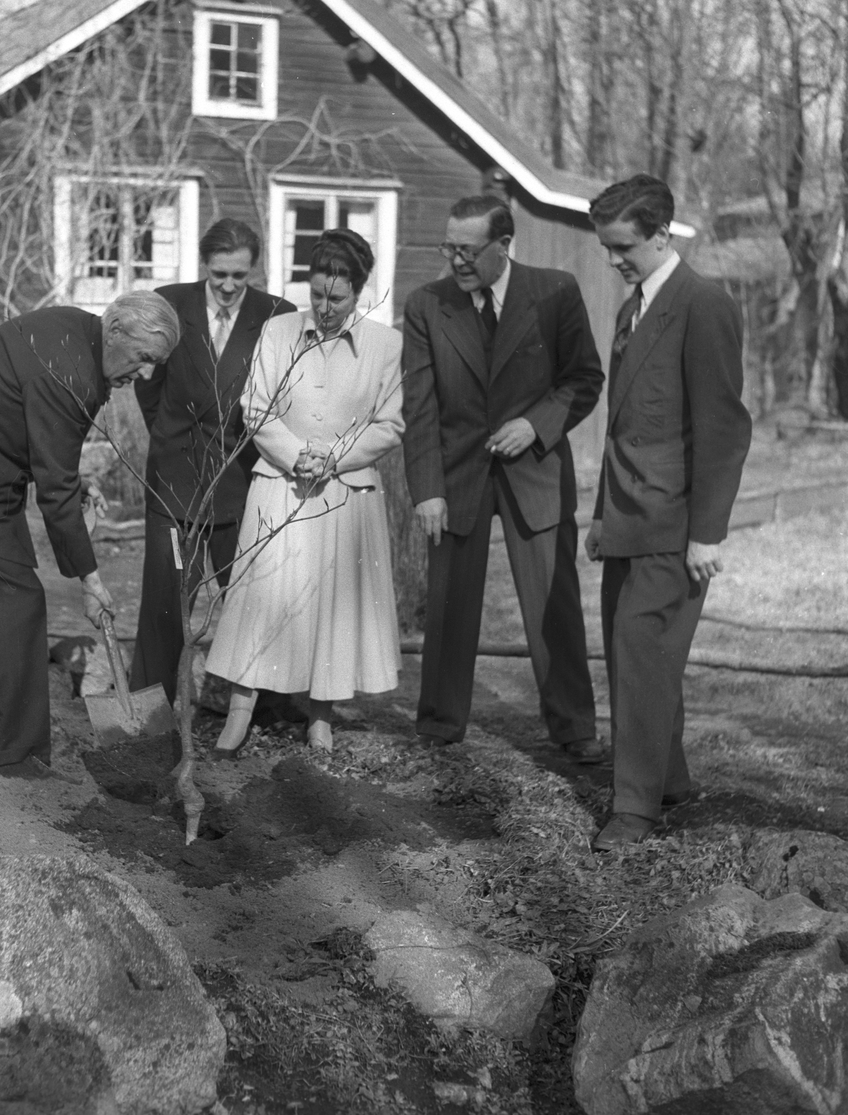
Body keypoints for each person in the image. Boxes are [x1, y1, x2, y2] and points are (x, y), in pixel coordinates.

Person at [0, 292, 180, 772]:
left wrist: (71, 481)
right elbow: (54, 488)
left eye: (156, 364)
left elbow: (38, 440)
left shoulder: (75, 334)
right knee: (15, 606)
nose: (146, 374)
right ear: (116, 331)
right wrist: (89, 578)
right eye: (144, 357)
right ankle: (15, 759)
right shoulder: (71, 371)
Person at [402, 193, 605, 753]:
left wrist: (535, 426)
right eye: (449, 248)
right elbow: (420, 407)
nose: (456, 261)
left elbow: (584, 380)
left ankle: (575, 729)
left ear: (504, 245)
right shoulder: (426, 305)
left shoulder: (555, 291)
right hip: (456, 479)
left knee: (554, 608)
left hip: (535, 474)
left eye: (468, 251)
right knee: (449, 606)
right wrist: (427, 490)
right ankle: (439, 723)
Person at [585, 174, 752, 850]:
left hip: (675, 526)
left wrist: (707, 534)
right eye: (606, 247)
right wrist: (602, 517)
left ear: (660, 235)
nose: (612, 259)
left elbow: (724, 430)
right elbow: (623, 427)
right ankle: (669, 779)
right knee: (637, 658)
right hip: (627, 518)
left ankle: (634, 808)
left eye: (623, 246)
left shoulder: (703, 304)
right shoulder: (634, 308)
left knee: (641, 652)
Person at [204, 228, 404, 756]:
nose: (324, 308)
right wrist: (296, 456)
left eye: (336, 298)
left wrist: (334, 457)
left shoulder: (385, 344)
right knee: (261, 596)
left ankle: (321, 716)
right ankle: (239, 712)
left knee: (331, 602)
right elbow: (256, 407)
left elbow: (389, 424)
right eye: (316, 295)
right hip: (280, 484)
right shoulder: (279, 331)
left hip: (346, 491)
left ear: (359, 291)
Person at [129, 219, 294, 705]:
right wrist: (173, 438)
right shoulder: (169, 304)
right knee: (165, 602)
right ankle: (151, 712)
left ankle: (266, 709)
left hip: (241, 483)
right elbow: (148, 387)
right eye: (219, 274)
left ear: (253, 270)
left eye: (239, 276)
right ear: (205, 264)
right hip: (174, 482)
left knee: (250, 597)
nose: (227, 286)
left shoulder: (276, 316)